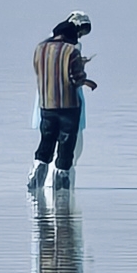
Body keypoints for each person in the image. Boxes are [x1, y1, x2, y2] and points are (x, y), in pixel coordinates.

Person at [30, 13, 97, 192]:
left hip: (46, 105)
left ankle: (35, 185)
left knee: (45, 145)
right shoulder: (71, 51)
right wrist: (85, 78)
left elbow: (40, 70)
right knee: (66, 149)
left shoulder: (40, 48)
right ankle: (61, 191)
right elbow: (75, 79)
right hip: (68, 106)